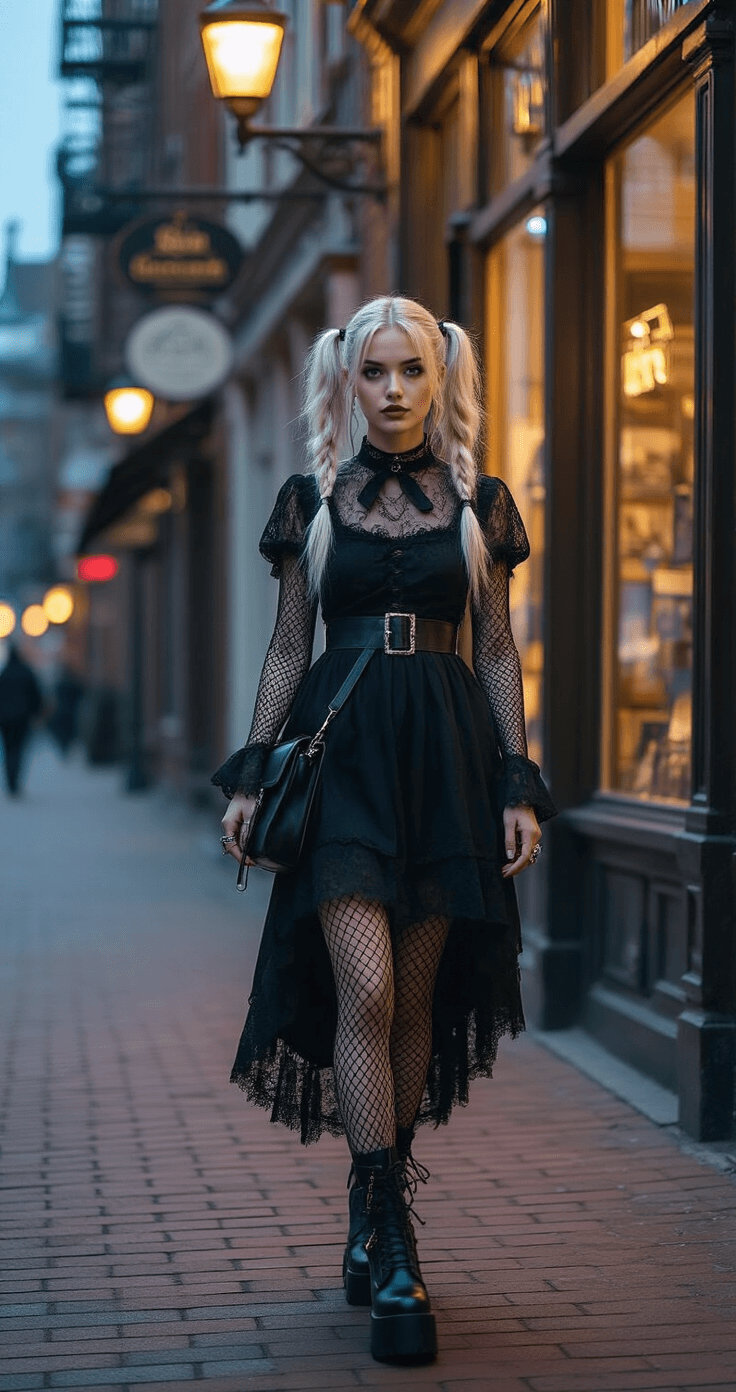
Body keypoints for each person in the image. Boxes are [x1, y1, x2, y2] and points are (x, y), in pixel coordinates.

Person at [213, 296, 556, 1365]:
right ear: (347, 381)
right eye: (375, 373)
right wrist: (252, 771)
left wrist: (514, 779)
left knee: (409, 997)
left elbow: (495, 649)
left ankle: (377, 1222)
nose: (395, 390)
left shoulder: (475, 501)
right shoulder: (311, 499)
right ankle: (388, 1223)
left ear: (437, 377)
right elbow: (283, 648)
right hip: (342, 749)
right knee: (362, 987)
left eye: (412, 370)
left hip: (446, 757)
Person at [0, 643, 43, 795]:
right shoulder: (26, 672)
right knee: (18, 749)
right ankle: (15, 781)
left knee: (8, 749)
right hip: (22, 718)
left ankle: (10, 781)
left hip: (5, 720)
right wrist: (37, 712)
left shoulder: (4, 674)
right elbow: (36, 694)